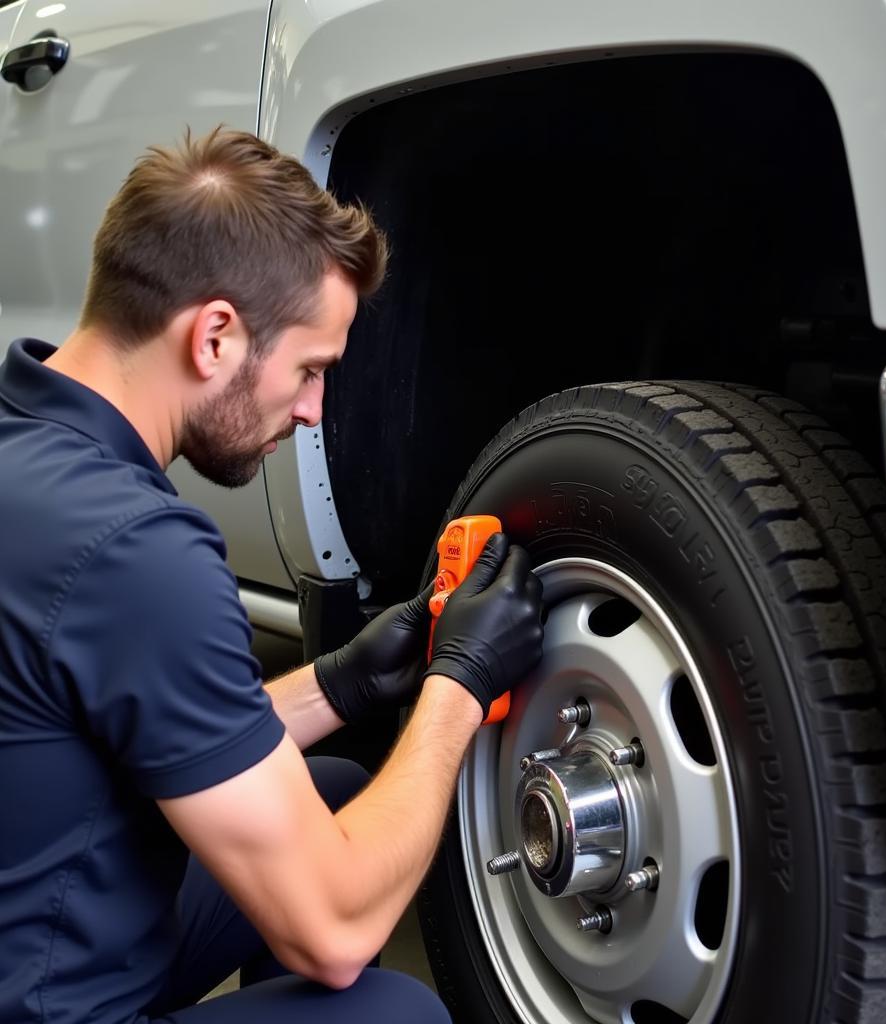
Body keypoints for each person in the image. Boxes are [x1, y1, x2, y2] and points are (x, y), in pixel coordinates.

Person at [0, 128, 545, 1023]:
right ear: (215, 336)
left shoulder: (31, 446)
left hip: (33, 919)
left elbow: (129, 715)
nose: (313, 410)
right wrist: (457, 688)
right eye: (310, 370)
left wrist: (344, 681)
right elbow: (333, 937)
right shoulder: (136, 553)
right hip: (52, 999)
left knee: (331, 795)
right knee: (390, 1012)